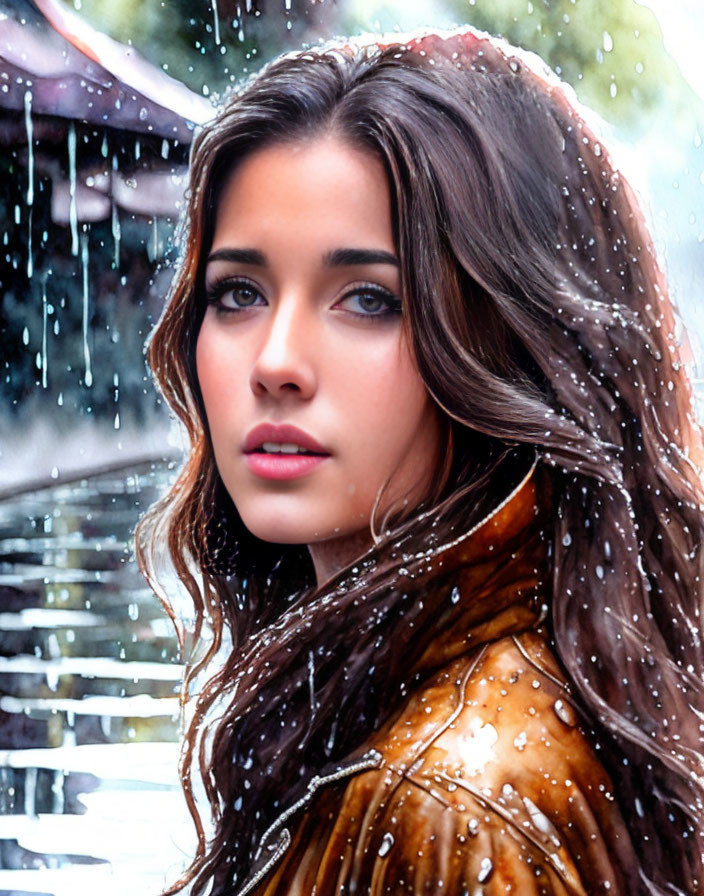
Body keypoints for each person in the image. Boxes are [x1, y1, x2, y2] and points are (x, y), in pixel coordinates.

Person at [136, 25, 704, 896]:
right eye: (239, 292)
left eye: (369, 299)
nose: (275, 362)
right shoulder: (484, 691)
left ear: (510, 343)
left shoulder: (446, 799)